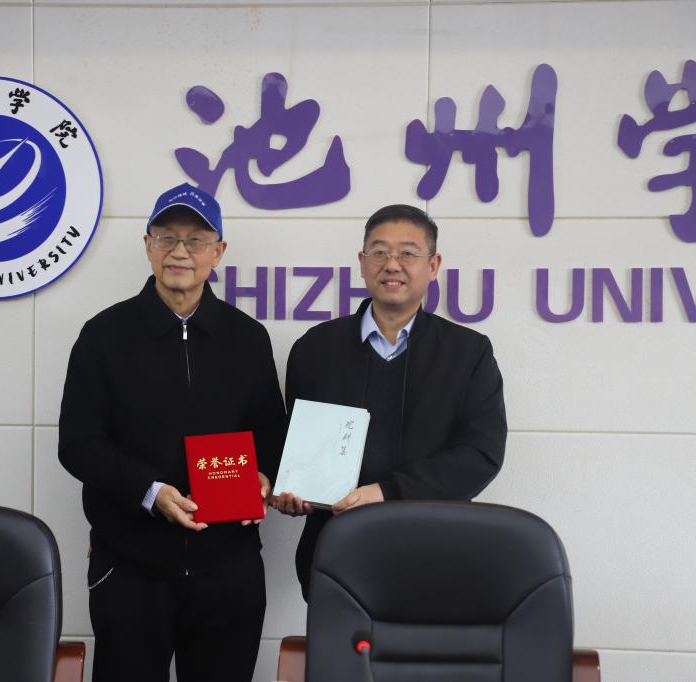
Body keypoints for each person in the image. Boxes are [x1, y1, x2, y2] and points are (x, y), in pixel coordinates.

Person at [58, 183, 286, 682]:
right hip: (130, 566)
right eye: (167, 237)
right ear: (148, 245)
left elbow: (271, 432)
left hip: (228, 568)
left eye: (196, 240)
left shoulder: (248, 338)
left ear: (218, 252)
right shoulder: (103, 336)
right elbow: (78, 444)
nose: (180, 251)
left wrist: (264, 478)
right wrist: (151, 491)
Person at [272, 204, 507, 600]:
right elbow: (294, 445)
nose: (392, 264)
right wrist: (294, 493)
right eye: (379, 252)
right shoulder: (315, 348)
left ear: (433, 265)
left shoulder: (468, 353)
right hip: (334, 555)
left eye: (407, 253)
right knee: (336, 644)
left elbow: (481, 454)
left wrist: (387, 491)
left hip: (435, 555)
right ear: (362, 264)